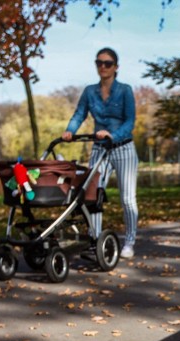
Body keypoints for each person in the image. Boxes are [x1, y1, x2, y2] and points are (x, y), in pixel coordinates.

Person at [63, 47, 138, 259]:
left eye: (107, 63)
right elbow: (79, 114)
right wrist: (70, 130)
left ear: (116, 67)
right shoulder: (89, 91)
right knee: (92, 195)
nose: (102, 67)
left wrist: (112, 135)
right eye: (99, 63)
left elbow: (130, 121)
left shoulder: (125, 90)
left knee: (127, 199)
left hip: (123, 148)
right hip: (99, 149)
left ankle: (129, 242)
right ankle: (95, 240)